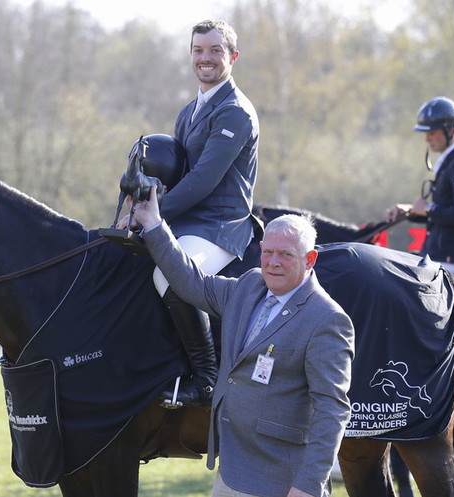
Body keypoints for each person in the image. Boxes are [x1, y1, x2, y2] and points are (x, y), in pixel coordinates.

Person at [130, 187, 354, 497]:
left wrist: (307, 485)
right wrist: (153, 224)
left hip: (282, 482)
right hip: (232, 471)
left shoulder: (327, 319)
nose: (273, 262)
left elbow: (331, 410)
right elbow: (190, 281)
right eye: (268, 252)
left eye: (286, 255)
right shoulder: (249, 286)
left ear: (310, 259)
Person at [119, 19, 259, 408]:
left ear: (232, 56)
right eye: (199, 50)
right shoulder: (188, 112)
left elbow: (202, 182)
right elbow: (176, 174)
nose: (206, 58)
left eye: (215, 50)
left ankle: (207, 377)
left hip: (220, 227)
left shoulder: (236, 113)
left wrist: (151, 214)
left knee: (170, 276)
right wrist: (138, 195)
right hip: (184, 223)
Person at [385, 96, 454, 274]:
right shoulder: (450, 162)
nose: (426, 139)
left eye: (431, 133)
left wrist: (429, 210)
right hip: (439, 253)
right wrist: (408, 210)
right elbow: (444, 210)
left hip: (452, 256)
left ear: (450, 130)